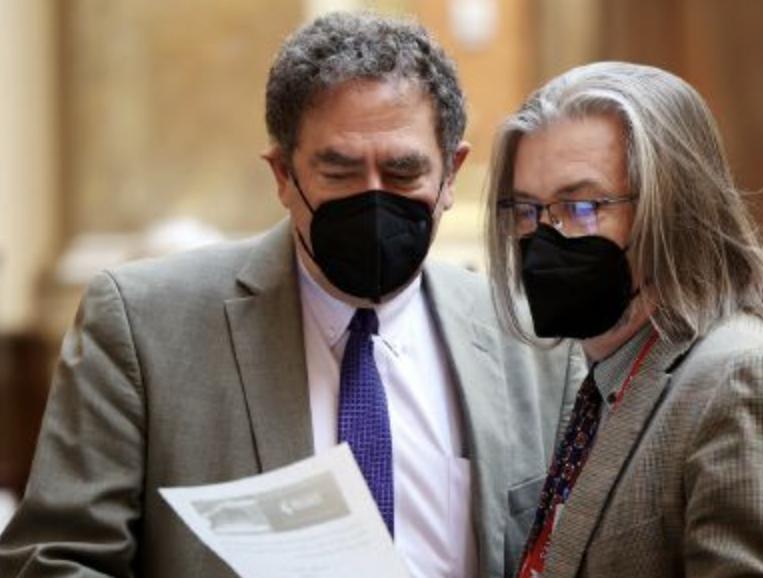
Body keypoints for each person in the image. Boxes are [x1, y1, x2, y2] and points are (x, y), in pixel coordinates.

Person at [0, 13, 584, 578]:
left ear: (452, 173)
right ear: (283, 174)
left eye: (403, 173)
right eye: (340, 173)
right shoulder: (145, 327)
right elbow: (54, 560)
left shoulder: (534, 341)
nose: (373, 197)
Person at [484, 61, 763, 577]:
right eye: (528, 211)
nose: (545, 237)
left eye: (583, 207)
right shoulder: (603, 381)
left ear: (673, 210)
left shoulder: (748, 383)